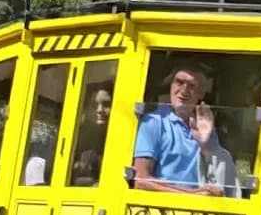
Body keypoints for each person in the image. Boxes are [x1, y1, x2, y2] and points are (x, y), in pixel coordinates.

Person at [133, 65, 238, 197]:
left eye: (192, 86)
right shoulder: (154, 122)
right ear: (171, 86)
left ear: (201, 94)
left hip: (200, 211)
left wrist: (206, 145)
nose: (184, 90)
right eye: (179, 82)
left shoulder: (204, 125)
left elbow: (221, 179)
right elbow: (141, 180)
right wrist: (192, 194)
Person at [71, 81, 113, 186]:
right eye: (94, 105)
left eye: (107, 104)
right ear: (85, 109)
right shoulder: (76, 140)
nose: (100, 110)